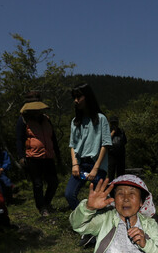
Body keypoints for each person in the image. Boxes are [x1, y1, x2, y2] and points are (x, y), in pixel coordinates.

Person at [65, 83, 111, 211]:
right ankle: (83, 216)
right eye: (74, 97)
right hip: (80, 165)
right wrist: (75, 164)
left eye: (79, 97)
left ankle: (101, 221)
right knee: (69, 194)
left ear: (88, 97)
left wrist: (96, 168)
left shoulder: (101, 119)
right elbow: (72, 145)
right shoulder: (75, 122)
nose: (76, 101)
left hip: (97, 165)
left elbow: (105, 144)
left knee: (99, 200)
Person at [16, 91, 61, 217]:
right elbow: (19, 139)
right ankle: (42, 208)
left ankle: (46, 203)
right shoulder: (23, 120)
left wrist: (58, 155)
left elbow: (53, 138)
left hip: (48, 156)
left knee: (53, 182)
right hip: (33, 158)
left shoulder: (46, 119)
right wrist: (21, 157)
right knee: (37, 184)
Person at [108, 115, 127, 180]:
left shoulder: (121, 131)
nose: (114, 125)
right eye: (112, 123)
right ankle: (111, 188)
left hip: (121, 155)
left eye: (115, 123)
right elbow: (106, 141)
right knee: (111, 173)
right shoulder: (107, 131)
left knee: (121, 174)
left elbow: (125, 141)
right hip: (111, 156)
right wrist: (112, 133)